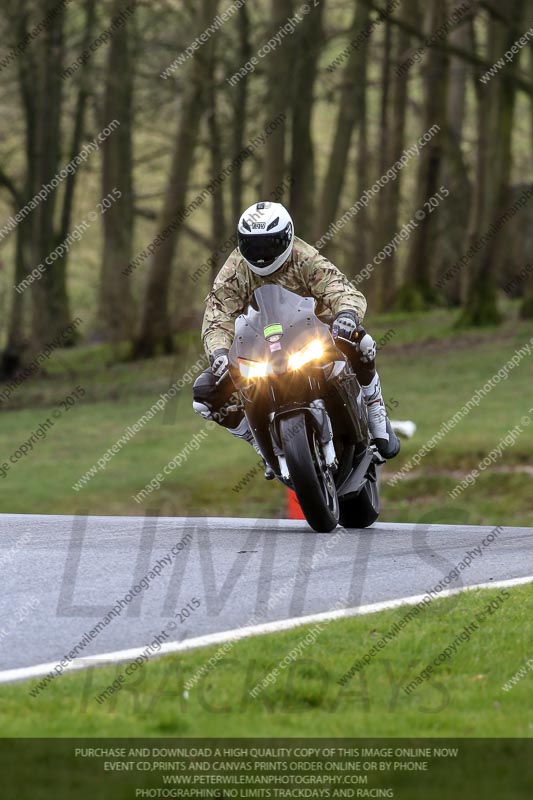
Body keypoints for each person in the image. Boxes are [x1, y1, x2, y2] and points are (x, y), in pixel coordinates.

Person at [193, 201, 400, 475]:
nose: (262, 255)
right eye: (253, 247)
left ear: (288, 237)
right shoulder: (235, 270)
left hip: (315, 331)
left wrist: (346, 315)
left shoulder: (304, 257)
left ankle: (375, 409)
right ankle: (258, 442)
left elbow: (339, 288)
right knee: (205, 396)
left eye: (270, 244)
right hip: (259, 345)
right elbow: (217, 315)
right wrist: (219, 353)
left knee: (362, 342)